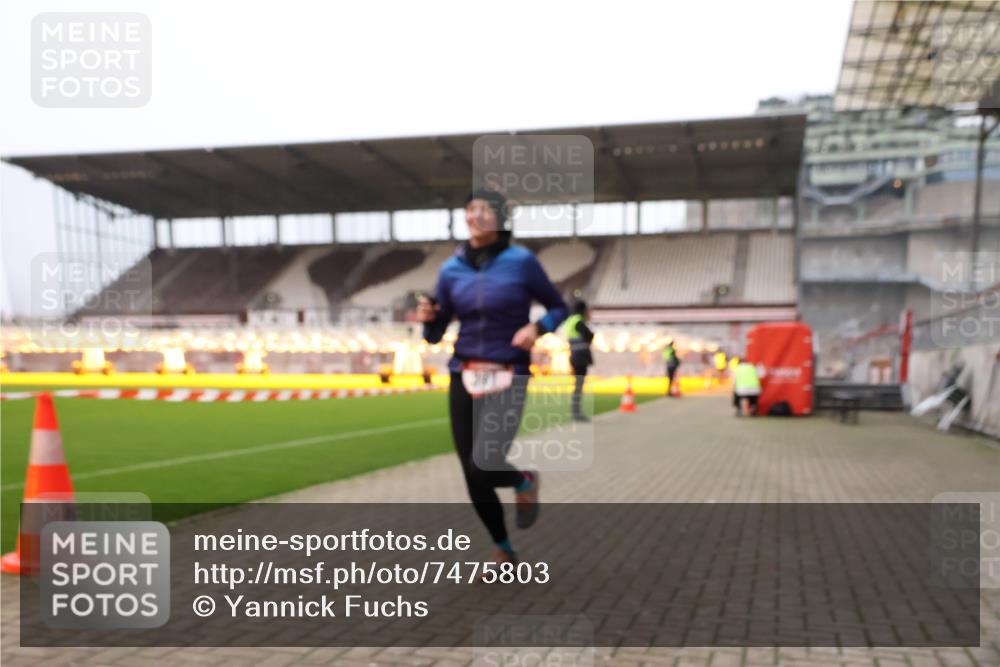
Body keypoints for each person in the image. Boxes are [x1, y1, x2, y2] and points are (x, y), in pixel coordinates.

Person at [416, 188, 568, 565]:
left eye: (485, 210)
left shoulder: (522, 261)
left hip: (508, 370)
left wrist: (537, 328)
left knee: (483, 463)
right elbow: (436, 333)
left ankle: (523, 481)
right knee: (471, 473)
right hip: (463, 372)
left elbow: (559, 307)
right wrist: (429, 320)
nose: (475, 215)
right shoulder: (450, 269)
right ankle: (503, 548)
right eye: (470, 209)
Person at [562, 300, 595, 422]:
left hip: (574, 355)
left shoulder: (570, 320)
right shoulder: (578, 321)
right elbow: (589, 335)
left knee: (578, 384)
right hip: (580, 356)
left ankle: (575, 411)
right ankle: (576, 412)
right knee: (579, 385)